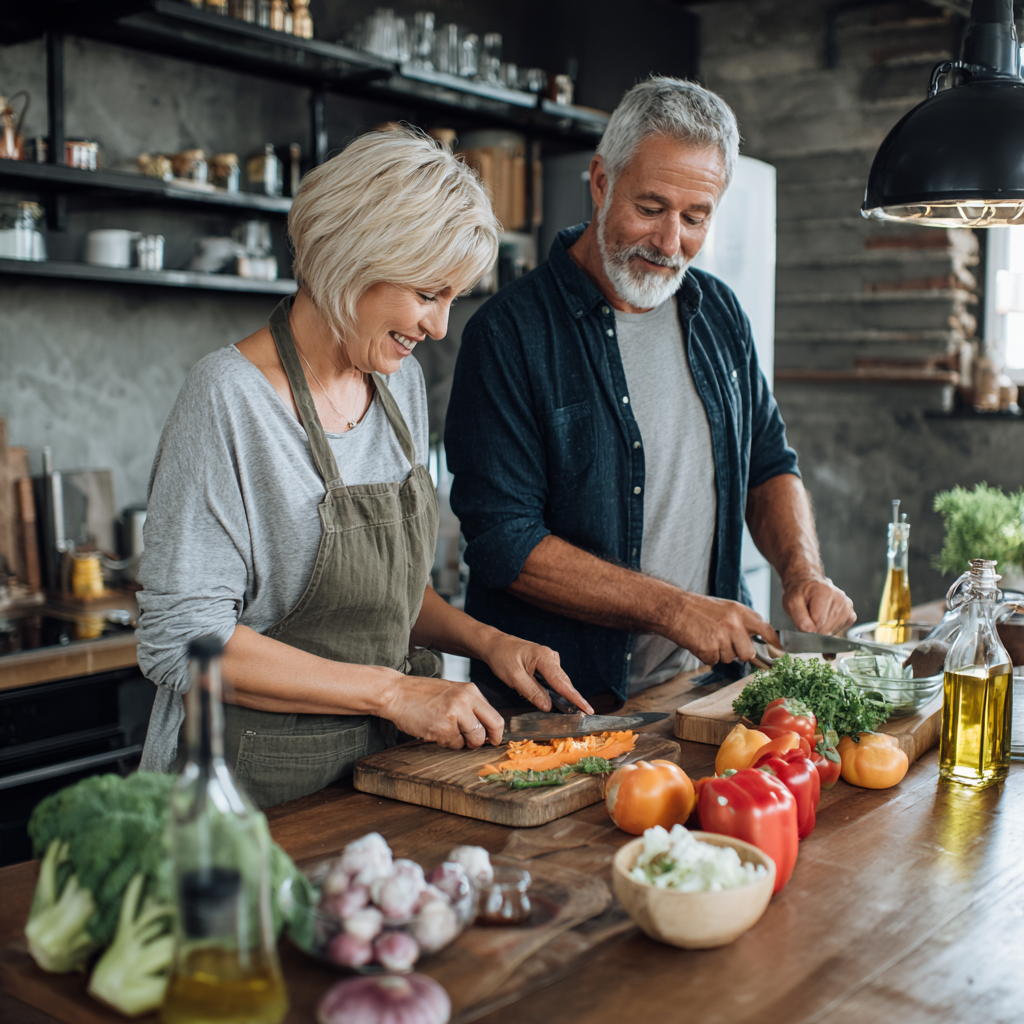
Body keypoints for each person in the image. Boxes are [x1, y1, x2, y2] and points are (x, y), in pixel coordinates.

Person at [137, 128, 591, 807]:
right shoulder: (229, 399)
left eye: (452, 299)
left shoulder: (396, 383)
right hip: (237, 796)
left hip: (375, 775)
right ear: (356, 260)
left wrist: (487, 640)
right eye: (428, 294)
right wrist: (394, 691)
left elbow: (385, 597)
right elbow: (184, 646)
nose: (439, 328)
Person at [445, 78, 856, 712]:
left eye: (696, 218)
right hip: (556, 708)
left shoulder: (718, 311)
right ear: (602, 181)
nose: (670, 243)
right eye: (651, 207)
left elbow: (769, 465)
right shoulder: (507, 333)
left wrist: (802, 570)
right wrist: (674, 609)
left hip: (699, 694)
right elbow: (505, 542)